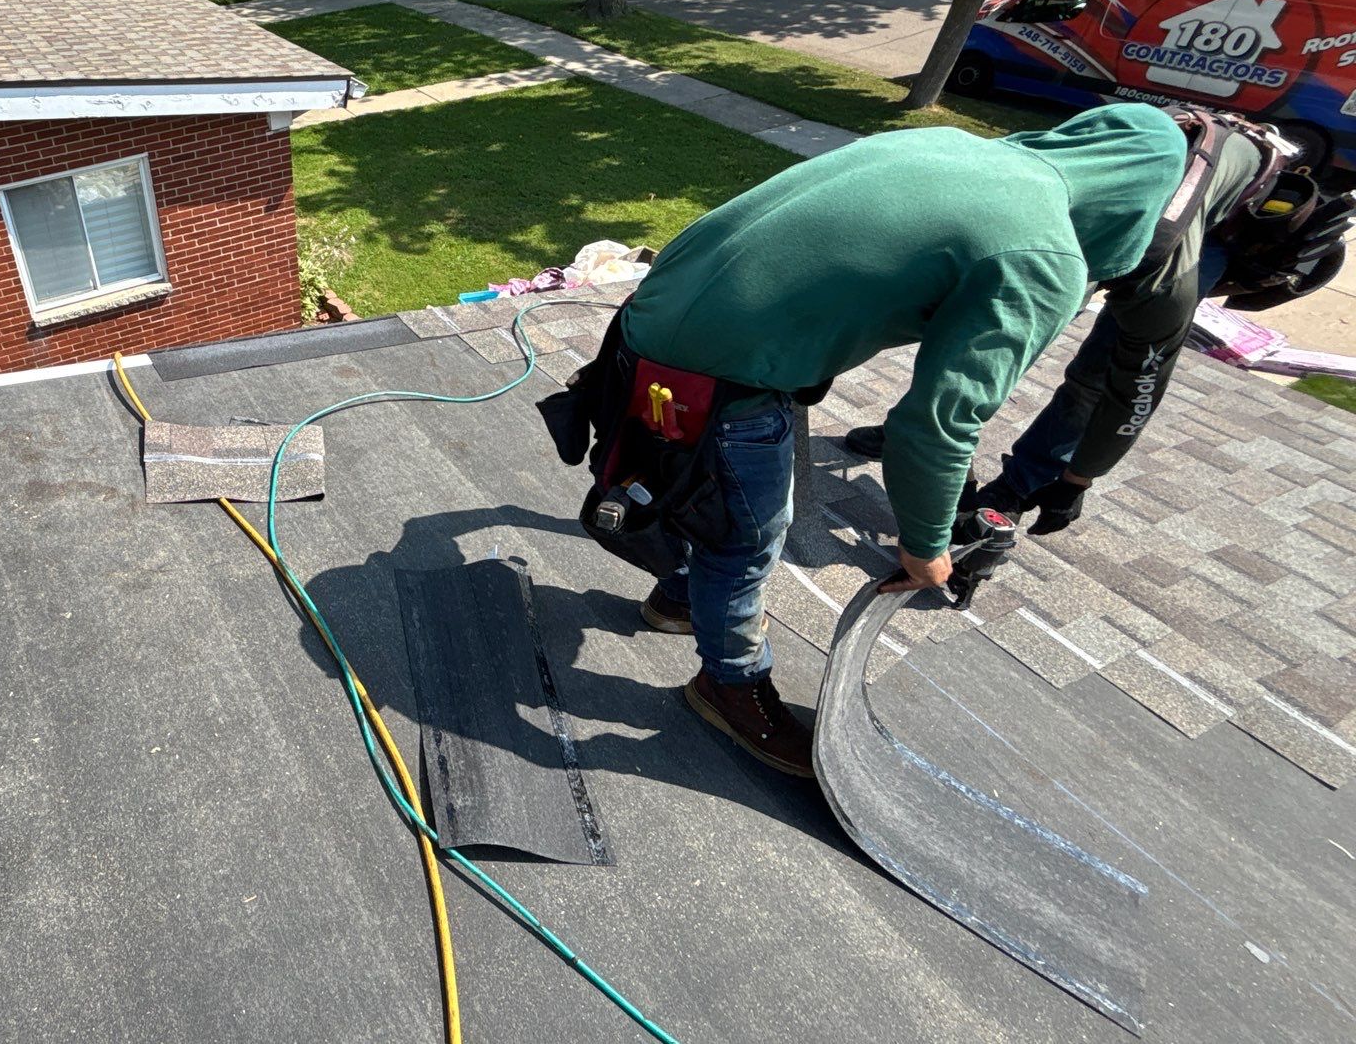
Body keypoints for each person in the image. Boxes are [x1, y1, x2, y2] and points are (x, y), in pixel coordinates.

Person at [553, 104, 1189, 779]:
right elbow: (935, 423)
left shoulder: (954, 143)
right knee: (746, 536)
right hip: (725, 371)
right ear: (1135, 205)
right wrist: (926, 546)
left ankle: (680, 597)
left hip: (653, 313)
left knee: (698, 485)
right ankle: (729, 684)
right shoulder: (1045, 255)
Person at [840, 109, 1294, 536]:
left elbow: (1135, 390)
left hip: (1204, 219)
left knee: (1096, 374)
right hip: (1129, 179)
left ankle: (1022, 485)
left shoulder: (1164, 279)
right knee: (1000, 323)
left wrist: (1078, 479)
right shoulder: (1015, 192)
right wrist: (928, 436)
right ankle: (922, 442)